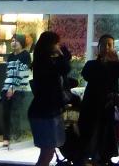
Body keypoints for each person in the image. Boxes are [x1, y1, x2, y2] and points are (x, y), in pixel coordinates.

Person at [77, 34, 119, 165]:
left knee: (108, 135)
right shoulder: (91, 64)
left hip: (108, 106)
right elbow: (86, 75)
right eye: (103, 44)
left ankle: (106, 159)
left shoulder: (116, 65)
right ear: (98, 47)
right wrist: (103, 63)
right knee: (91, 136)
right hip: (91, 107)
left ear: (114, 47)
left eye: (110, 45)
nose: (107, 47)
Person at [28, 31, 72, 166]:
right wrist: (61, 54)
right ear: (50, 45)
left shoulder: (44, 61)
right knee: (47, 153)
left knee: (48, 152)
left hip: (46, 110)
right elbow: (65, 68)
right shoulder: (45, 63)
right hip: (45, 112)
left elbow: (65, 66)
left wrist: (62, 55)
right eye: (56, 43)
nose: (58, 46)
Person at [0, 34, 32, 149]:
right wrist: (7, 87)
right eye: (12, 41)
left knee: (16, 114)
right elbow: (9, 73)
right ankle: (6, 139)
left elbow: (23, 73)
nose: (13, 43)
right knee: (6, 114)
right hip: (7, 87)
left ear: (22, 42)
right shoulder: (10, 56)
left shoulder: (26, 55)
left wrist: (13, 88)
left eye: (16, 41)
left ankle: (16, 138)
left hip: (20, 89)